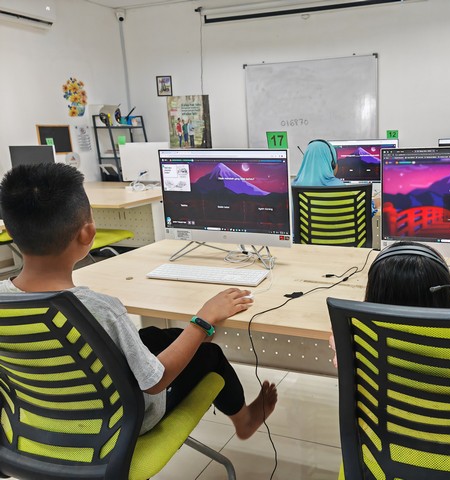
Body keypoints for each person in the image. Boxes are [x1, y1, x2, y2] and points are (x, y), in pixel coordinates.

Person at [0, 163, 278, 438]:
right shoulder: (102, 310)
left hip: (38, 420)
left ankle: (191, 343)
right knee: (210, 354)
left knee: (157, 336)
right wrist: (202, 320)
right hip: (119, 423)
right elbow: (155, 382)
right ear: (88, 233)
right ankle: (244, 421)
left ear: (10, 231)